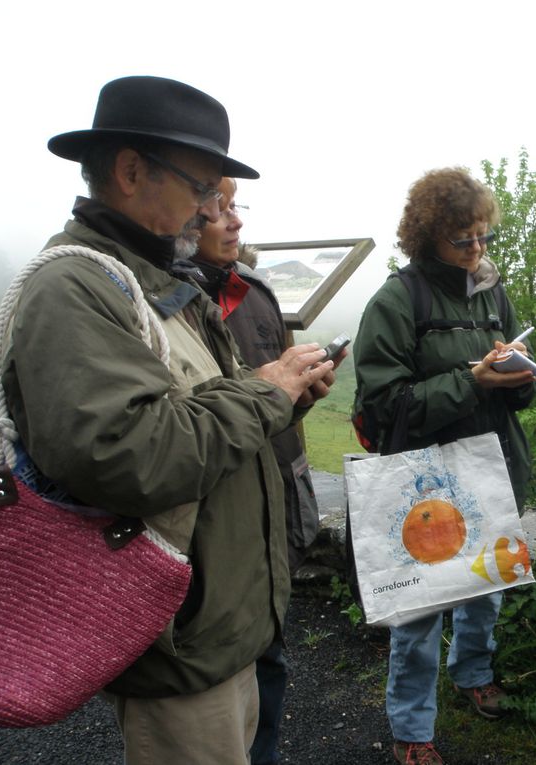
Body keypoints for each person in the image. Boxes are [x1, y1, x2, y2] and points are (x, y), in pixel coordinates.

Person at [0, 76, 343, 765]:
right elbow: (130, 453)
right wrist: (265, 393)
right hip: (178, 646)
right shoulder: (73, 289)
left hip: (220, 633)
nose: (212, 211)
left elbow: (196, 416)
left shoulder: (164, 279)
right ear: (130, 171)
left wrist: (283, 395)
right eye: (202, 189)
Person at [353, 168, 536, 765]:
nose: (476, 250)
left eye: (483, 236)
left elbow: (518, 394)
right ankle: (412, 731)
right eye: (463, 240)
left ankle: (473, 673)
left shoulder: (490, 290)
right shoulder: (396, 301)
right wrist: (470, 380)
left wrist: (516, 375)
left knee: (486, 586)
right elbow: (384, 407)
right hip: (423, 482)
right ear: (427, 236)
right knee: (422, 607)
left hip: (491, 468)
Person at [173, 179, 321, 765]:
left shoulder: (256, 293)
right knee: (213, 694)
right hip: (211, 525)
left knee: (272, 661)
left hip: (274, 498)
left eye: (237, 208)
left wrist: (302, 393)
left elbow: (276, 398)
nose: (234, 222)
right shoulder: (165, 300)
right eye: (220, 209)